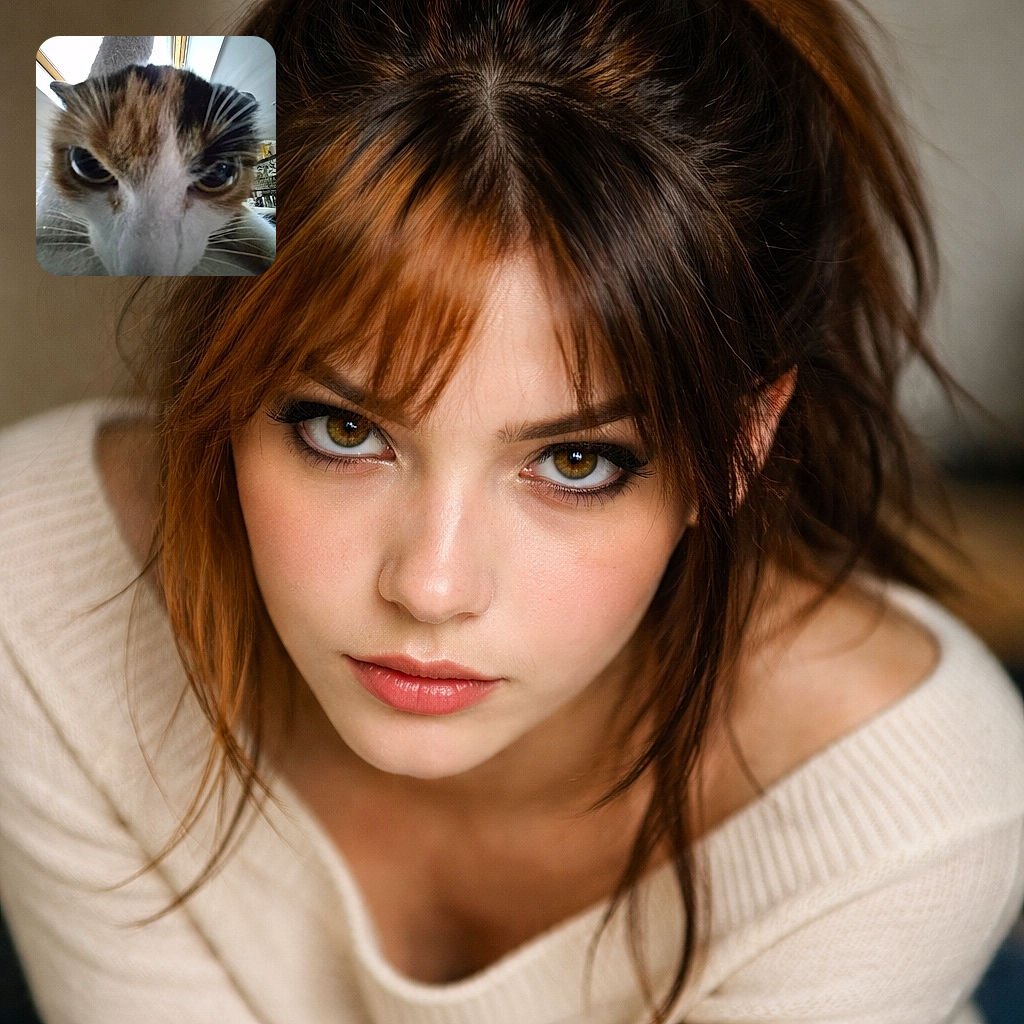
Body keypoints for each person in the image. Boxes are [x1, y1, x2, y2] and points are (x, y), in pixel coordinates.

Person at [2, 1, 1023, 1021]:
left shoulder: (909, 803)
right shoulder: (35, 586)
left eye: (576, 461)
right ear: (216, 380)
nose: (431, 587)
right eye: (343, 430)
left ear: (742, 444)